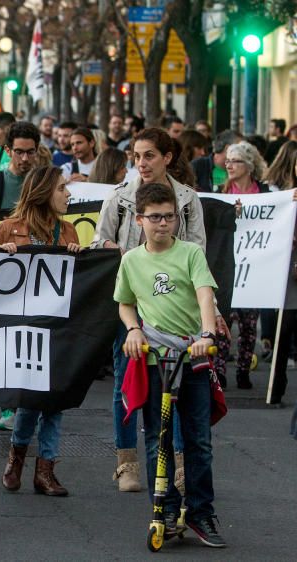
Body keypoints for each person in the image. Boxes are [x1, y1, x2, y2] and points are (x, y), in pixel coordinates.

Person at [92, 127, 208, 493]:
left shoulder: (187, 200)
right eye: (136, 156)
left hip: (174, 306)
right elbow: (98, 239)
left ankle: (178, 464)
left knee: (174, 385)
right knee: (127, 380)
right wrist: (123, 253)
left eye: (149, 156)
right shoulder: (120, 197)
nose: (141, 163)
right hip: (131, 301)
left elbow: (198, 252)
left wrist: (208, 312)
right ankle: (126, 462)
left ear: (167, 158)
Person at [116, 182, 225, 547]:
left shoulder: (191, 253)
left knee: (198, 440)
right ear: (139, 219)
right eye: (155, 218)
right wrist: (133, 329)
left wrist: (207, 335)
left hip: (190, 354)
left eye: (169, 217)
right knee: (156, 439)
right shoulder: (131, 260)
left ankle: (200, 512)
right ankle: (163, 508)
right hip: (153, 357)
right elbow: (125, 302)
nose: (163, 224)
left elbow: (204, 293)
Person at [0, 166, 83, 497]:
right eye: (62, 188)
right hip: (25, 328)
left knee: (55, 401)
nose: (68, 194)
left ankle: (45, 470)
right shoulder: (8, 229)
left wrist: (77, 258)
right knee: (30, 399)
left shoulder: (69, 231)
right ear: (44, 191)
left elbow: (78, 285)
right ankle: (17, 457)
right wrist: (2, 257)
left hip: (59, 329)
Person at [212, 141, 268, 389]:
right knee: (224, 317)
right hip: (227, 264)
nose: (229, 164)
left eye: (235, 160)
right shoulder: (220, 192)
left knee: (248, 323)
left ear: (249, 165)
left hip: (255, 265)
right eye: (228, 160)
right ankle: (220, 369)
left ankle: (244, 369)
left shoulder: (267, 193)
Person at [0, 121, 40, 213]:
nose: (25, 158)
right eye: (19, 152)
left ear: (36, 151)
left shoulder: (45, 182)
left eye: (30, 152)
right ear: (8, 150)